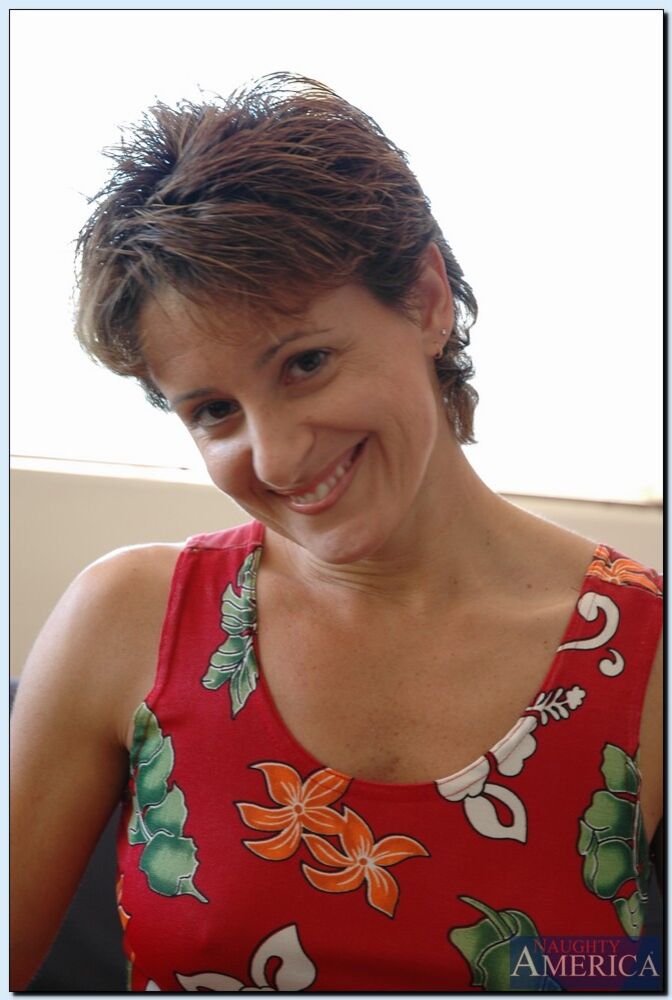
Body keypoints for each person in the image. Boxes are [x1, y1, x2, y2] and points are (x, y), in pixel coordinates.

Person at [11, 73, 662, 992]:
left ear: (426, 299)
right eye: (213, 410)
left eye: (305, 363)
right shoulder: (126, 620)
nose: (276, 457)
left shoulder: (646, 653)